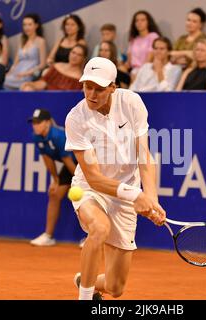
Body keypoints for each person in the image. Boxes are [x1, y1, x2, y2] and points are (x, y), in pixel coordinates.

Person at [64, 57, 166, 300]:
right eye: (87, 86)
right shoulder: (75, 119)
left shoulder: (132, 103)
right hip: (91, 189)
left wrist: (151, 198)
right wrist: (136, 195)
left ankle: (84, 281)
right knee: (99, 228)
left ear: (113, 87)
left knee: (115, 287)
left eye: (99, 88)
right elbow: (95, 178)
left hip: (126, 195)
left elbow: (144, 157)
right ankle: (85, 298)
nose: (92, 94)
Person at [28, 109, 78, 247]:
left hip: (83, 163)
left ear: (47, 122)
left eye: (38, 122)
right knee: (55, 194)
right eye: (33, 123)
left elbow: (68, 160)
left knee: (88, 197)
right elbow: (47, 159)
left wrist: (81, 182)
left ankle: (92, 237)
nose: (35, 125)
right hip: (71, 165)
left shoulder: (58, 136)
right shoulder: (37, 136)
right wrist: (55, 180)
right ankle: (48, 236)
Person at [4, 14, 46, 90]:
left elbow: (42, 64)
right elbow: (16, 62)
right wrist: (10, 72)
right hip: (18, 72)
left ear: (36, 25)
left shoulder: (40, 41)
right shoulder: (22, 40)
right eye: (24, 25)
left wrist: (27, 73)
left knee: (23, 84)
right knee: (4, 80)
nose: (27, 27)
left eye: (30, 24)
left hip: (31, 73)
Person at [20, 44, 87, 91]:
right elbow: (43, 83)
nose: (74, 56)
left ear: (83, 59)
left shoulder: (81, 79)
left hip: (65, 105)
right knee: (27, 88)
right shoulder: (56, 66)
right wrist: (31, 85)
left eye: (79, 55)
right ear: (69, 53)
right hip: (47, 97)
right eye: (73, 52)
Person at [124, 11, 161, 78]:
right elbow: (129, 62)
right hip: (133, 71)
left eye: (142, 20)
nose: (139, 23)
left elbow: (149, 59)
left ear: (148, 22)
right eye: (137, 20)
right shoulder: (133, 39)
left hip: (146, 70)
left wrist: (139, 72)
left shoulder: (153, 36)